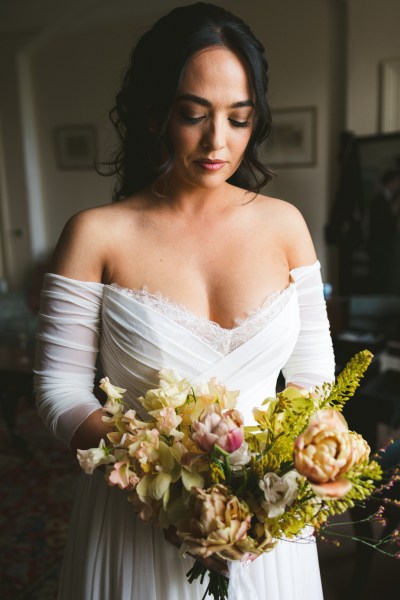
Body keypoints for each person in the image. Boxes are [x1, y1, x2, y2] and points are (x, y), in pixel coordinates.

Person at [34, 3, 334, 599]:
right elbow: (58, 391)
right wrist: (161, 474)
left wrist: (260, 478)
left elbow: (313, 373)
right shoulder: (96, 234)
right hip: (136, 515)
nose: (217, 141)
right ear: (153, 115)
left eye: (239, 119)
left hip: (262, 519)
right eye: (193, 115)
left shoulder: (285, 226)